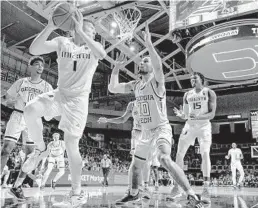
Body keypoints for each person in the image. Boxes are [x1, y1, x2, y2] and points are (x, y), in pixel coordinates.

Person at [108, 22, 205, 207]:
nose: (142, 62)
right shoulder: (136, 85)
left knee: (163, 158)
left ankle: (190, 193)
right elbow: (112, 88)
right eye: (142, 61)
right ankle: (134, 193)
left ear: (151, 66)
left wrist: (150, 46)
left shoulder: (157, 82)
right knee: (136, 165)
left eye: (146, 61)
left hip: (161, 128)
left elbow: (159, 67)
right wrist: (116, 68)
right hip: (145, 131)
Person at [21, 9, 106, 206]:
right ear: (72, 28)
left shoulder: (93, 48)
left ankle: (76, 193)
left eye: (92, 29)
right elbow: (34, 50)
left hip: (78, 101)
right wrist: (50, 25)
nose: (90, 28)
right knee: (30, 109)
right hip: (61, 93)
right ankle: (40, 149)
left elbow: (102, 54)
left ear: (93, 34)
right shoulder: (62, 42)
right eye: (88, 25)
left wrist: (81, 31)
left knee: (71, 145)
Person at [0, 56, 52, 200]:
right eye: (37, 64)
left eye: (42, 65)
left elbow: (51, 105)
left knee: (30, 157)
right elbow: (7, 97)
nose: (40, 67)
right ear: (30, 66)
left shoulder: (47, 86)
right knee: (6, 149)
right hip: (18, 115)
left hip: (34, 120)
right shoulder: (21, 82)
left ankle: (17, 186)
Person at [173, 72, 217, 201]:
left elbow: (212, 114)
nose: (192, 80)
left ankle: (206, 187)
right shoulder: (187, 94)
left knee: (205, 153)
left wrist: (198, 117)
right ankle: (177, 186)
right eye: (191, 79)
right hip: (190, 126)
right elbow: (186, 115)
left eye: (195, 78)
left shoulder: (209, 92)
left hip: (204, 126)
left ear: (201, 79)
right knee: (179, 154)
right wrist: (182, 115)